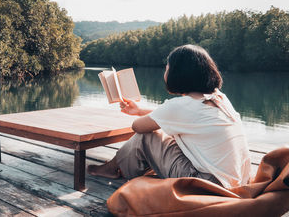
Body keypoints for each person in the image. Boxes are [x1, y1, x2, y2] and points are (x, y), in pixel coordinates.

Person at [87, 44, 251, 188]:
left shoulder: (181, 106)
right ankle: (117, 165)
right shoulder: (219, 98)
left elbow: (138, 127)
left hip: (207, 185)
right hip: (237, 180)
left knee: (146, 137)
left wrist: (139, 116)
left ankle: (114, 168)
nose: (165, 71)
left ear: (178, 74)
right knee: (166, 133)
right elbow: (175, 117)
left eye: (167, 67)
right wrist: (138, 110)